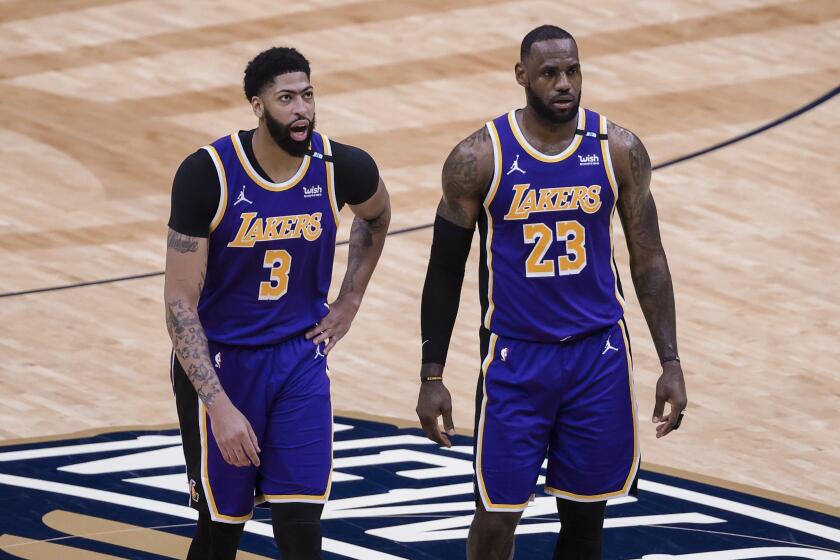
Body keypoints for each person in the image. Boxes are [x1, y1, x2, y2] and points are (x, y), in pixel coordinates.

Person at [415, 25, 688, 560]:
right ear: (522, 77)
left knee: (587, 519)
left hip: (598, 356)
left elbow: (649, 257)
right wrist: (432, 375)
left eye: (573, 70)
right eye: (549, 73)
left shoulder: (619, 149)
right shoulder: (479, 157)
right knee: (495, 521)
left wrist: (671, 360)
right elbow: (443, 270)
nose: (564, 83)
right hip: (517, 360)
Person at [164, 46, 390, 559]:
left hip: (298, 361)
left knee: (301, 526)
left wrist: (350, 298)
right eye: (285, 98)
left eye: (307, 95)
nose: (301, 109)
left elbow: (376, 216)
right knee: (221, 530)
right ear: (258, 106)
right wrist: (218, 407)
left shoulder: (342, 166)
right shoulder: (208, 173)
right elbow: (179, 301)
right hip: (224, 364)